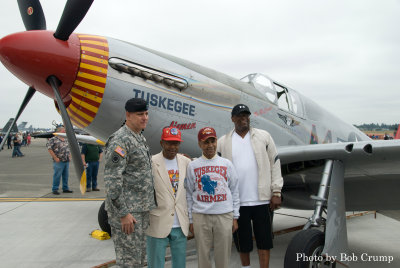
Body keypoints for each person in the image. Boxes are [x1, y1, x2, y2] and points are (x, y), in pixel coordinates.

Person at [217, 104, 283, 268]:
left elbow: (275, 163)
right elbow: (211, 161)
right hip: (238, 203)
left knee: (264, 241)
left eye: (246, 115)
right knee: (242, 243)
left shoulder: (264, 137)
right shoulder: (223, 142)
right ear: (233, 119)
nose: (243, 118)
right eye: (239, 116)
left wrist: (276, 191)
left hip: (262, 200)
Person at [104, 98, 156, 267]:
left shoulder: (139, 137)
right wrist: (123, 214)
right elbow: (112, 180)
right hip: (128, 214)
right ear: (128, 115)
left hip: (140, 210)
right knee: (129, 262)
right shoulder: (120, 140)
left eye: (147, 114)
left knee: (140, 260)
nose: (145, 118)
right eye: (140, 114)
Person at [185, 127, 240, 268]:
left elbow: (234, 191)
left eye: (212, 141)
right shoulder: (193, 166)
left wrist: (235, 216)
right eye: (206, 142)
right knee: (203, 257)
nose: (210, 145)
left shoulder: (226, 164)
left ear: (216, 141)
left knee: (223, 256)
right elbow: (189, 194)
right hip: (201, 216)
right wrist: (191, 219)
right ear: (200, 144)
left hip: (224, 215)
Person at [146, 127, 191, 268]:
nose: (173, 147)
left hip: (180, 223)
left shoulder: (186, 162)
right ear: (161, 143)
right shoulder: (151, 163)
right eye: (169, 143)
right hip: (158, 222)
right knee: (155, 264)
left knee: (180, 264)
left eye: (176, 143)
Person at [46, 127, 73, 195]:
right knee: (57, 175)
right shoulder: (53, 139)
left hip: (66, 160)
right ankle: (55, 189)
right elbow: (49, 149)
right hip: (59, 161)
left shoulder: (66, 139)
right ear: (59, 131)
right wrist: (55, 158)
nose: (65, 132)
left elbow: (69, 148)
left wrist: (70, 156)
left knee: (66, 175)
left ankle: (65, 188)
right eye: (64, 131)